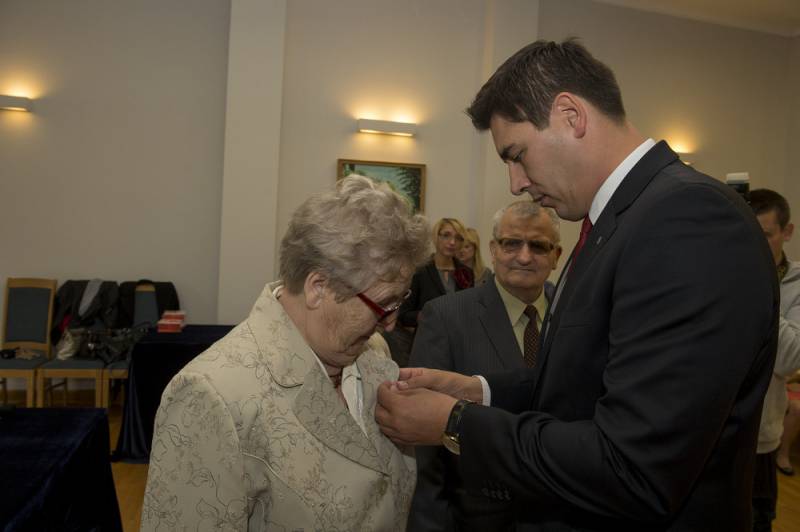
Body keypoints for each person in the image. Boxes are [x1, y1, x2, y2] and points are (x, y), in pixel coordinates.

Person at [375, 38, 778, 531]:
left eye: (517, 155)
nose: (516, 183)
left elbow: (635, 468)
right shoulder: (619, 220)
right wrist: (477, 391)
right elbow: (589, 379)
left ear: (570, 115)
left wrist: (455, 423)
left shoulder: (688, 219)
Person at [141, 175, 430, 531]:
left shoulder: (373, 355)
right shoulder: (210, 397)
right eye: (383, 304)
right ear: (318, 288)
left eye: (399, 302)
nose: (391, 322)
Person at [408, 201, 561, 531]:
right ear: (493, 249)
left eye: (538, 246)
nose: (524, 256)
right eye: (511, 243)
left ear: (556, 256)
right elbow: (426, 446)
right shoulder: (446, 317)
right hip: (476, 519)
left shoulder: (575, 320)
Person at [748, 189, 800, 531]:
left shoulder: (796, 283)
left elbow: (788, 359)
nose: (753, 245)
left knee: (758, 519)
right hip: (710, 431)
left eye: (765, 235)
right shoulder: (721, 274)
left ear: (787, 231)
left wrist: (760, 286)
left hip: (761, 438)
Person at [398, 218, 474, 329]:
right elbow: (403, 315)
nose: (452, 242)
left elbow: (470, 311)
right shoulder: (420, 270)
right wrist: (425, 316)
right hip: (428, 335)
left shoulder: (466, 273)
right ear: (436, 237)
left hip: (458, 336)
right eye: (446, 235)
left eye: (458, 238)